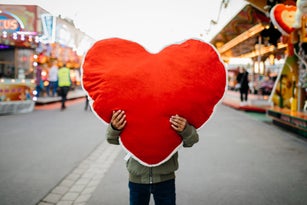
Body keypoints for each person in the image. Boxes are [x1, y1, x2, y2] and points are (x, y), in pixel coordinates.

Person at [106, 110, 199, 205]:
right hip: (137, 179)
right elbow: (112, 140)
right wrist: (114, 128)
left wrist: (185, 129)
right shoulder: (131, 106)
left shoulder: (172, 106)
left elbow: (191, 141)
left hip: (165, 179)